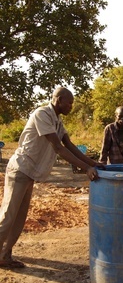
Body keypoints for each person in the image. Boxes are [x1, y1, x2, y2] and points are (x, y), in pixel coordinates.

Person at [0, 87, 104, 269]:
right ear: (59, 99)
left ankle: (5, 255)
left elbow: (69, 145)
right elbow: (58, 147)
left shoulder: (57, 121)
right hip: (20, 170)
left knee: (19, 217)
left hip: (29, 173)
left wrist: (93, 163)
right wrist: (86, 168)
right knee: (8, 215)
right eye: (69, 102)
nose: (71, 106)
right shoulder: (42, 114)